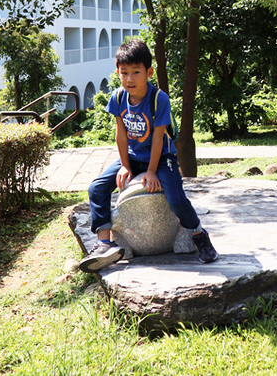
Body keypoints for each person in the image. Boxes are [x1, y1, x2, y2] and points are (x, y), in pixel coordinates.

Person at [79, 39, 219, 273]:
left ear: (149, 72)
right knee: (97, 189)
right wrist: (125, 165)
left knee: (176, 199)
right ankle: (104, 243)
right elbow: (121, 134)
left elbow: (158, 138)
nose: (130, 79)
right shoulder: (118, 97)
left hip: (162, 158)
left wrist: (152, 171)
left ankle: (198, 233)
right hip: (132, 157)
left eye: (136, 72)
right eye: (124, 72)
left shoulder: (158, 99)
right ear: (117, 72)